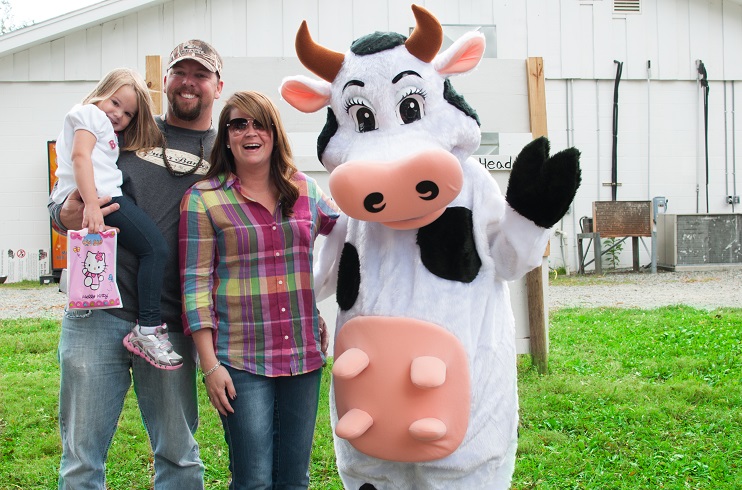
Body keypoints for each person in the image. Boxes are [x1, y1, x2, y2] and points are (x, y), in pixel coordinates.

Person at [48, 39, 224, 489]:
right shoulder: (125, 127)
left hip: (168, 323)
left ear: (217, 85)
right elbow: (64, 195)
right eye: (180, 72)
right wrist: (67, 212)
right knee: (82, 460)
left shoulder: (226, 152)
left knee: (179, 455)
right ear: (164, 81)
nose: (189, 82)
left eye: (200, 74)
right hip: (95, 313)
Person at [179, 91, 340, 489]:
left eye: (259, 123)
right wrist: (210, 365)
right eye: (238, 124)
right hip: (240, 360)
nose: (250, 132)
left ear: (273, 132)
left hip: (302, 356)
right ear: (227, 136)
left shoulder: (306, 190)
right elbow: (194, 284)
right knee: (252, 480)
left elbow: (355, 235)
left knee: (295, 480)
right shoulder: (203, 199)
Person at [50, 67, 182, 370]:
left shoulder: (104, 128)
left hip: (100, 196)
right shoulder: (90, 116)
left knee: (144, 250)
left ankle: (146, 327)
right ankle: (147, 329)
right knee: (155, 249)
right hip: (103, 197)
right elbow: (80, 158)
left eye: (128, 113)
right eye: (114, 102)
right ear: (101, 93)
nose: (118, 114)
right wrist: (93, 206)